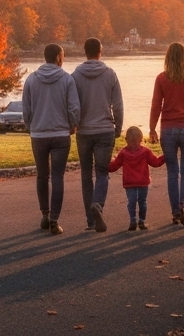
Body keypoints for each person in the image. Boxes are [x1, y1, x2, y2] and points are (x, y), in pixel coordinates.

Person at [22, 43, 80, 235]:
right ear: (57, 58)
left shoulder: (31, 79)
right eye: (62, 55)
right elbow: (74, 107)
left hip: (39, 134)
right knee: (57, 177)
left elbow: (27, 108)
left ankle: (45, 215)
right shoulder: (67, 79)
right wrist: (73, 124)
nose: (63, 58)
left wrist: (31, 126)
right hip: (61, 134)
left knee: (42, 175)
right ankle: (55, 220)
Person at [148, 41, 184, 226]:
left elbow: (156, 105)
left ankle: (175, 212)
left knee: (172, 172)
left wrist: (151, 129)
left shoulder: (162, 78)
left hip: (168, 130)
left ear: (167, 58)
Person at [71, 37, 124, 232]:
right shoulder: (110, 74)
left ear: (84, 51)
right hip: (104, 130)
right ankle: (98, 204)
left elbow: (73, 105)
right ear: (100, 51)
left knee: (86, 175)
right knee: (102, 173)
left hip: (84, 131)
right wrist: (118, 127)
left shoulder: (75, 75)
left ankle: (90, 220)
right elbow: (117, 105)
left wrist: (74, 124)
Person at [107, 126, 165, 231]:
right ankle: (139, 221)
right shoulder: (143, 152)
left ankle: (136, 220)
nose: (134, 144)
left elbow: (113, 166)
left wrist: (104, 163)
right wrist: (165, 157)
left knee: (133, 201)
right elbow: (155, 162)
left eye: (135, 141)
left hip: (132, 182)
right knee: (140, 202)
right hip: (140, 182)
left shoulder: (125, 153)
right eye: (132, 141)